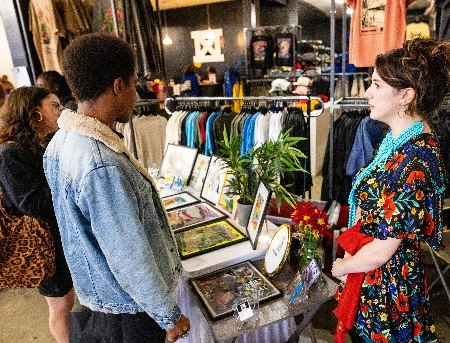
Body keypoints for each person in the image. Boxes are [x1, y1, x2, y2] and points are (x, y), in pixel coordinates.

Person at [43, 33, 190, 343]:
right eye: (134, 85)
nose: (136, 96)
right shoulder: (101, 162)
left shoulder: (60, 142)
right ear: (118, 86)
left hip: (98, 299)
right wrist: (169, 315)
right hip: (128, 314)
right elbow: (128, 254)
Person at [331, 38, 450, 343]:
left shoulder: (415, 159)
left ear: (406, 95)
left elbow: (384, 247)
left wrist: (345, 265)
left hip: (386, 292)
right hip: (374, 281)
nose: (367, 93)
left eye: (376, 85)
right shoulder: (397, 141)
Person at [0, 86, 74, 343]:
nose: (60, 111)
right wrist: (70, 183)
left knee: (66, 300)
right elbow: (32, 203)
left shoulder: (39, 145)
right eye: (54, 106)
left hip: (56, 240)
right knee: (60, 306)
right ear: (35, 113)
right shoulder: (11, 153)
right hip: (41, 244)